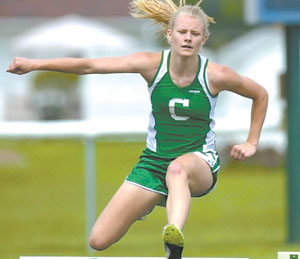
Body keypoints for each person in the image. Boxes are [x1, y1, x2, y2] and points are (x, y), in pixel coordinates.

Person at [6, 0, 268, 258]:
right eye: (182, 32)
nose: (188, 38)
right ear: (170, 35)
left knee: (177, 169)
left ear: (204, 39)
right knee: (98, 239)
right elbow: (90, 66)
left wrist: (251, 142)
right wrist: (34, 64)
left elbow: (260, 95)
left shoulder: (217, 75)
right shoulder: (150, 64)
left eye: (195, 34)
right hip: (154, 163)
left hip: (199, 163)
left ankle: (173, 242)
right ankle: (152, 202)